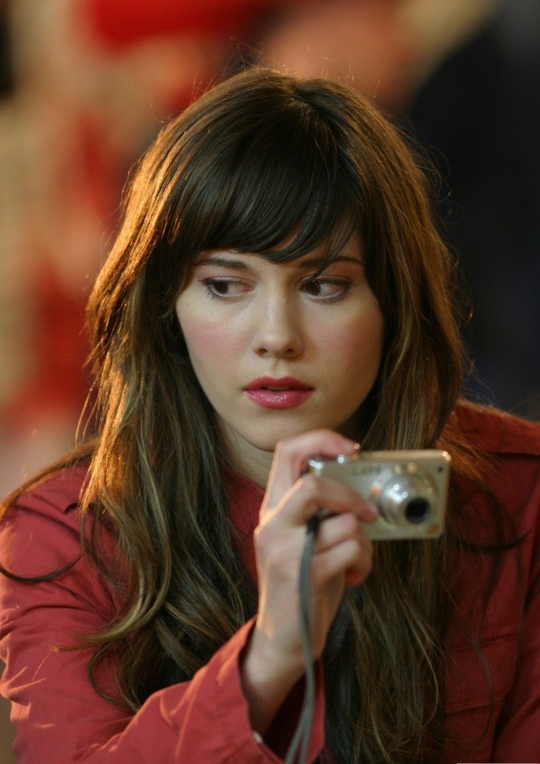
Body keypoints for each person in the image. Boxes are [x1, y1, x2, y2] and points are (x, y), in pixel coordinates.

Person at [1, 67, 539, 764]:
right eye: (226, 285)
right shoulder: (64, 537)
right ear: (165, 310)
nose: (277, 336)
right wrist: (270, 657)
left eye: (324, 285)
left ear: (394, 305)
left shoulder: (519, 491)